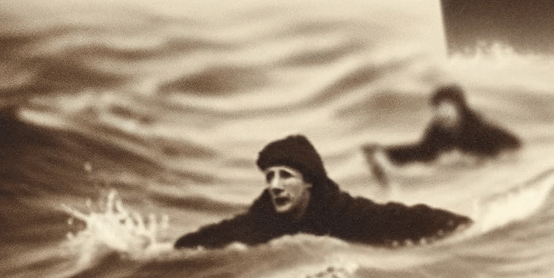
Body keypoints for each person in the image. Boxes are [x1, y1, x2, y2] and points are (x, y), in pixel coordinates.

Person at [175, 135, 470, 250]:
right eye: (270, 177)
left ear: (310, 183)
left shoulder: (342, 212)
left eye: (285, 176)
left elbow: (401, 217)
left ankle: (381, 167)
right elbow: (223, 233)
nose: (274, 184)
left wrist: (463, 227)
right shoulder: (264, 216)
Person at [370, 85, 521, 167]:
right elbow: (424, 151)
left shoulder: (480, 128)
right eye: (437, 107)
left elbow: (513, 145)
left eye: (446, 106)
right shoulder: (436, 130)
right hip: (455, 178)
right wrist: (385, 152)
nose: (441, 112)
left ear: (459, 107)